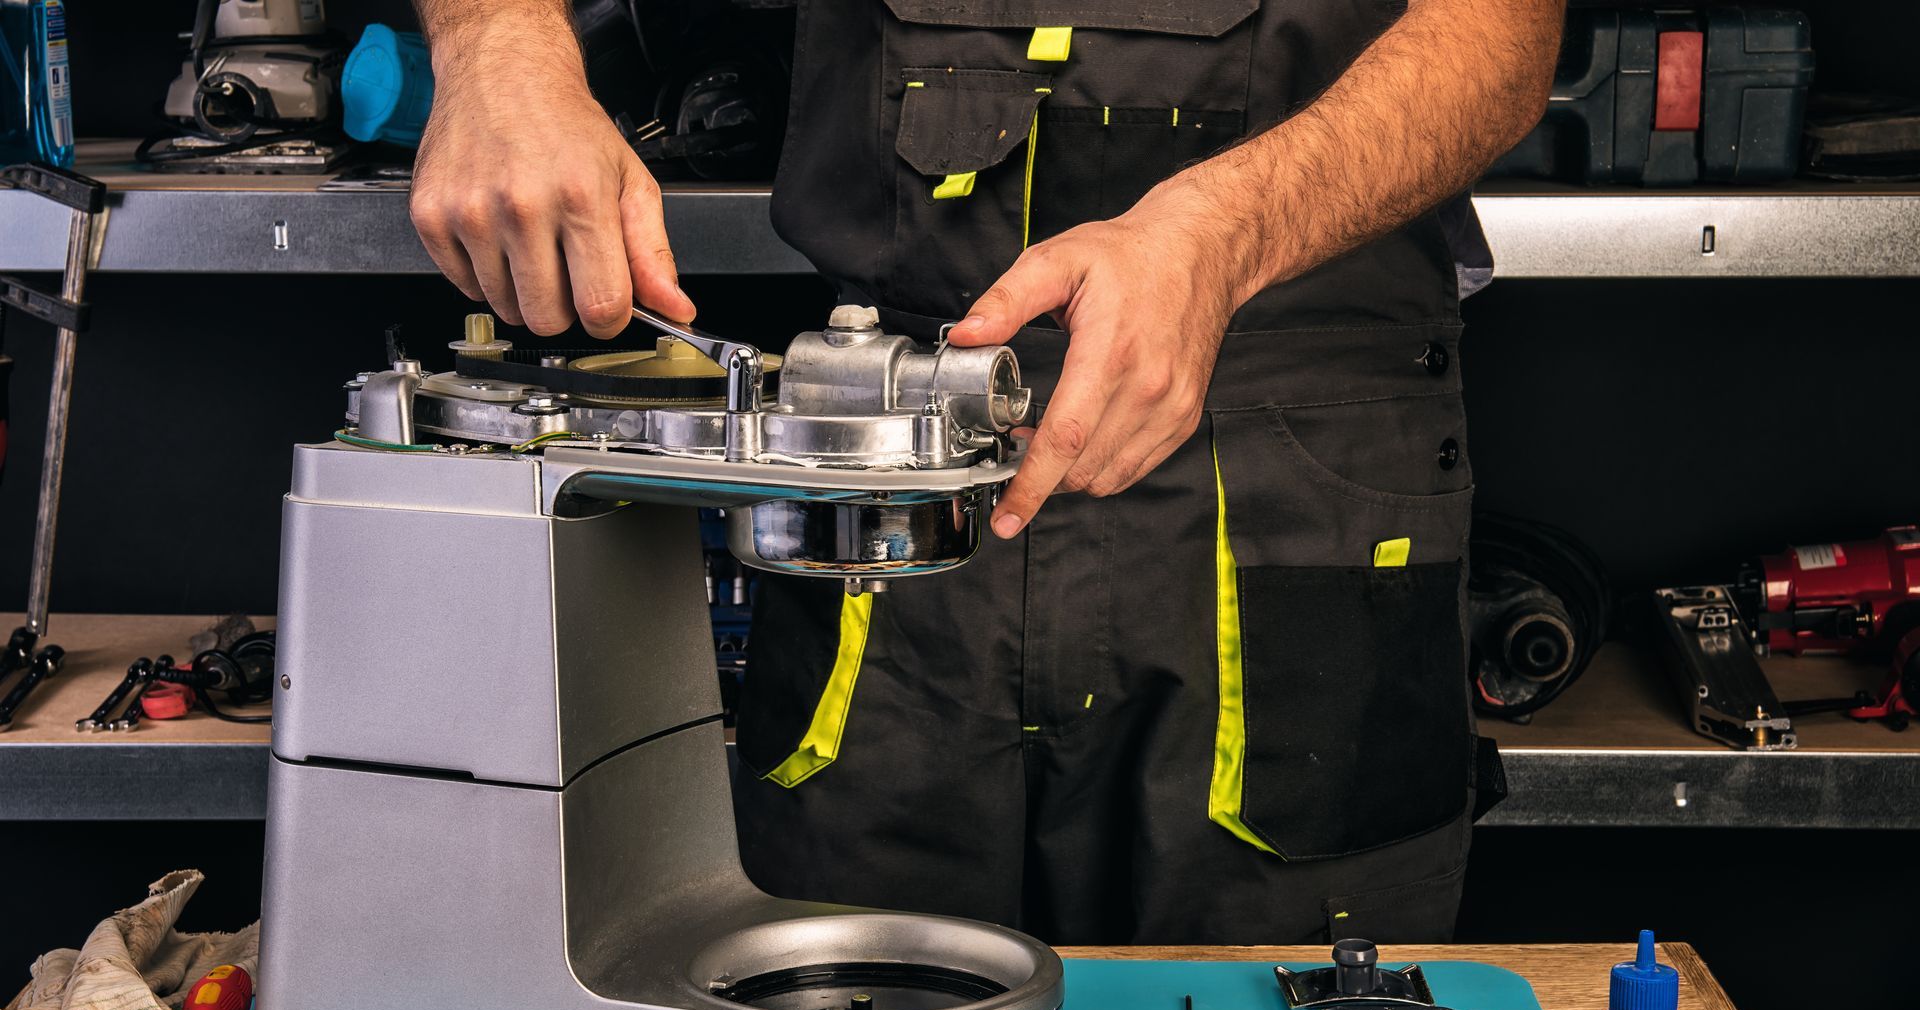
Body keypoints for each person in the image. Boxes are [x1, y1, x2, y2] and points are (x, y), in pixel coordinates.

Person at [409, 0, 1562, 945]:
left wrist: (1225, 234)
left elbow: (1503, 36)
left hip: (1291, 478)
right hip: (886, 467)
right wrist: (496, 47)